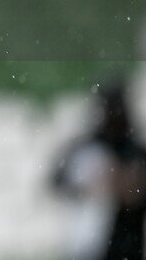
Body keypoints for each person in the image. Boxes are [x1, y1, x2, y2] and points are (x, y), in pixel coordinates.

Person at [53, 81, 146, 260]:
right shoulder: (89, 149)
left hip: (128, 244)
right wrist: (92, 185)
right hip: (92, 245)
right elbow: (58, 181)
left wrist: (134, 187)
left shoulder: (136, 151)